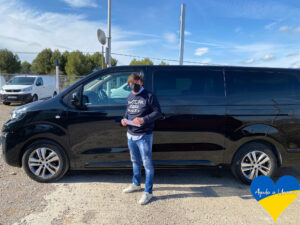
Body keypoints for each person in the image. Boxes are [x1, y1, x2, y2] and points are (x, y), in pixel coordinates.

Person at [121, 72, 162, 205]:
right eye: (131, 84)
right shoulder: (130, 97)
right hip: (131, 134)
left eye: (135, 83)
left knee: (147, 164)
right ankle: (136, 183)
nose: (133, 86)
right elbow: (128, 112)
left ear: (141, 82)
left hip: (144, 136)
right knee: (135, 161)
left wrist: (143, 119)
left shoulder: (149, 96)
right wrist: (124, 119)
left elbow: (158, 113)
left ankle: (148, 192)